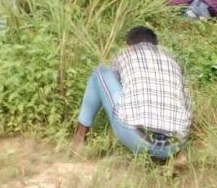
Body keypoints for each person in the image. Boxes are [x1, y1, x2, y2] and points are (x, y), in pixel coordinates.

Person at [72, 26, 191, 165]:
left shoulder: (126, 54)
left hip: (137, 139)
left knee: (100, 73)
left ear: (129, 46)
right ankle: (174, 155)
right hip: (175, 144)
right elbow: (187, 106)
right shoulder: (174, 62)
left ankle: (78, 140)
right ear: (155, 45)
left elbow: (112, 80)